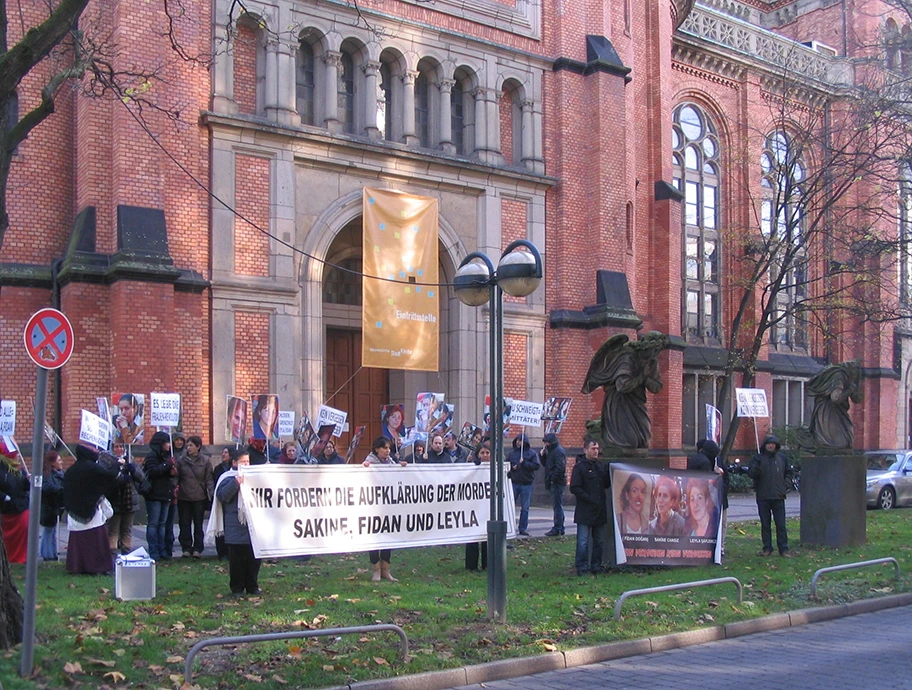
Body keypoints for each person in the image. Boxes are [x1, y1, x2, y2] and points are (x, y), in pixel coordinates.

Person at [581, 332, 670, 449]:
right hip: (619, 402)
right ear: (646, 346)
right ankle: (601, 434)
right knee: (629, 442)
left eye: (658, 351)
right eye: (654, 350)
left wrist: (647, 379)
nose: (655, 354)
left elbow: (657, 387)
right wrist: (642, 377)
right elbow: (623, 386)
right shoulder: (628, 356)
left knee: (644, 440)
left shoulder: (652, 361)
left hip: (637, 401)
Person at [211, 450, 263, 596]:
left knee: (254, 559)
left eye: (248, 461)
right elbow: (222, 496)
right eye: (243, 462)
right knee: (237, 561)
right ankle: (237, 588)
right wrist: (236, 483)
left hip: (252, 524)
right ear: (234, 463)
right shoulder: (226, 478)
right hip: (235, 525)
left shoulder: (253, 476)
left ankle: (252, 586)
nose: (246, 464)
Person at [64, 444, 119, 574]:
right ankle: (97, 567)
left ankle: (77, 566)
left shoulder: (71, 470)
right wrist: (117, 465)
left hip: (75, 511)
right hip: (91, 510)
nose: (95, 451)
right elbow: (110, 477)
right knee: (95, 540)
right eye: (93, 450)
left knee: (79, 541)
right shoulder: (93, 468)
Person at [362, 437, 407, 581]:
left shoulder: (390, 463)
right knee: (374, 536)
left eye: (389, 448)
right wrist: (364, 468)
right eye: (385, 448)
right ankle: (376, 569)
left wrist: (401, 467)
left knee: (388, 535)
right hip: (372, 507)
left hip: (388, 507)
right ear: (376, 449)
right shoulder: (369, 462)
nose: (388, 451)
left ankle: (386, 569)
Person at [569, 436, 609, 576]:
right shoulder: (580, 467)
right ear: (585, 450)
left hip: (599, 511)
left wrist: (609, 472)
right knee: (583, 542)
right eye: (593, 449)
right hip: (585, 511)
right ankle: (582, 567)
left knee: (598, 541)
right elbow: (574, 487)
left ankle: (596, 566)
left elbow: (606, 485)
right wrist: (588, 498)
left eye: (597, 449)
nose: (596, 451)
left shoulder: (600, 466)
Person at [748, 435, 793, 557]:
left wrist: (786, 484)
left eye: (773, 444)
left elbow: (788, 472)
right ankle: (767, 548)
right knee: (765, 524)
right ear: (765, 445)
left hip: (778, 495)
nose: (771, 446)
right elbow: (751, 474)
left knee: (781, 524)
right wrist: (756, 465)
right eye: (769, 444)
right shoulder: (758, 458)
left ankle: (783, 549)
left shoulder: (782, 458)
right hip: (763, 495)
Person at [104, 442, 145, 555]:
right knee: (113, 530)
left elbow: (141, 478)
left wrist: (132, 470)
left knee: (127, 530)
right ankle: (112, 555)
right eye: (116, 447)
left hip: (129, 500)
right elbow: (108, 480)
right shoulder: (108, 461)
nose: (119, 449)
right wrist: (120, 475)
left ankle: (127, 553)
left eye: (121, 446)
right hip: (115, 500)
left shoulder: (130, 460)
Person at [143, 431, 177, 561]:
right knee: (154, 523)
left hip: (165, 494)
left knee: (162, 524)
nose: (169, 445)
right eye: (166, 442)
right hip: (154, 495)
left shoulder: (166, 456)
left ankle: (162, 550)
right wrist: (167, 465)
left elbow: (164, 474)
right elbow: (153, 472)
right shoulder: (152, 456)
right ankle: (154, 550)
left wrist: (171, 472)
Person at [177, 435, 213, 558]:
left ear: (198, 446)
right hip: (184, 497)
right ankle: (186, 547)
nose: (188, 448)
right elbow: (177, 478)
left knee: (198, 523)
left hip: (199, 497)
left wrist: (212, 494)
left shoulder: (206, 461)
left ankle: (198, 548)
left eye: (191, 445)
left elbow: (209, 479)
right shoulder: (181, 461)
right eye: (187, 446)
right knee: (184, 523)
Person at [687, 439, 728, 546]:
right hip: (710, 498)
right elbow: (707, 482)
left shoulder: (696, 459)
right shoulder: (705, 462)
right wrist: (716, 475)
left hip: (704, 496)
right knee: (715, 523)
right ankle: (716, 547)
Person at [0, 438, 30, 564]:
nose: (18, 457)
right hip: (6, 510)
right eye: (15, 455)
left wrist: (28, 481)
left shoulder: (19, 470)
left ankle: (21, 558)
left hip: (21, 507)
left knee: (23, 532)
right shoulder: (2, 471)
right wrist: (4, 497)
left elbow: (23, 487)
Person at [507, 432, 540, 536]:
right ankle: (510, 526)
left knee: (525, 507)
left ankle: (522, 527)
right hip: (515, 482)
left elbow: (536, 466)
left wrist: (524, 463)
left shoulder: (532, 453)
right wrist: (512, 467)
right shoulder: (512, 454)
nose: (518, 442)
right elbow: (506, 465)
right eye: (517, 440)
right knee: (510, 506)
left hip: (526, 483)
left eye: (520, 440)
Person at [465, 441, 491, 571]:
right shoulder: (471, 467)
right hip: (473, 507)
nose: (485, 455)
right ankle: (471, 565)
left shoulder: (497, 468)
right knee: (473, 535)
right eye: (482, 453)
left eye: (487, 452)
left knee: (488, 537)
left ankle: (487, 564)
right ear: (477, 454)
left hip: (488, 508)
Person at [39, 450, 65, 561]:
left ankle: (52, 552)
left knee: (52, 530)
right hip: (48, 506)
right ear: (53, 463)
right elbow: (48, 487)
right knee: (48, 531)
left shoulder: (59, 474)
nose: (62, 462)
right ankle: (47, 554)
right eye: (59, 460)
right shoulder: (47, 474)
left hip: (55, 506)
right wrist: (61, 489)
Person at [212, 447, 236, 560]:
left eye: (226, 452)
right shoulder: (218, 469)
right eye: (223, 452)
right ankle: (222, 552)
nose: (223, 454)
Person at [541, 432, 567, 537]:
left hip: (557, 482)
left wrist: (552, 479)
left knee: (557, 506)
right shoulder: (552, 451)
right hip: (555, 481)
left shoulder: (557, 452)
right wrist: (542, 456)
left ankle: (558, 527)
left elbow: (560, 467)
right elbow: (547, 465)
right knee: (557, 505)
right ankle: (560, 527)